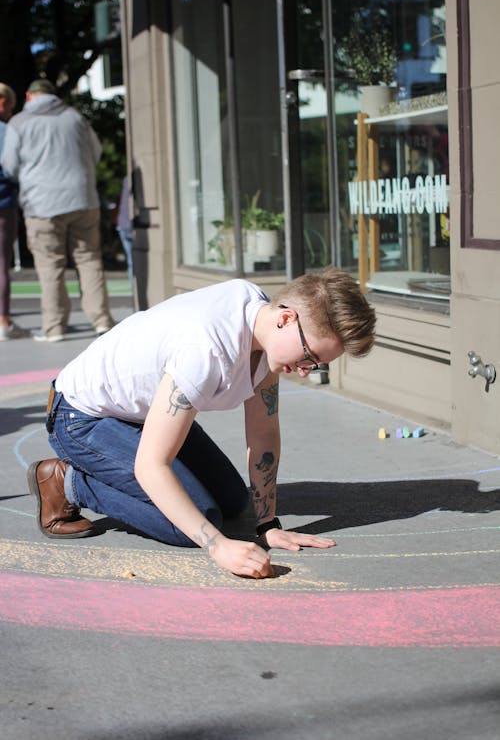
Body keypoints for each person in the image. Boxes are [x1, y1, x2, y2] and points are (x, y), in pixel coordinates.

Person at [27, 268, 376, 579]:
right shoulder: (206, 351)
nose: (305, 370)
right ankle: (67, 482)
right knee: (194, 523)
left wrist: (267, 523)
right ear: (286, 318)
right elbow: (151, 466)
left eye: (316, 364)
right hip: (81, 418)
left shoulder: (262, 321)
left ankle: (100, 475)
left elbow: (263, 432)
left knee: (237, 503)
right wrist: (218, 547)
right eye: (309, 357)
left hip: (144, 412)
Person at [0, 79, 115, 342]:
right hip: (83, 198)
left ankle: (54, 328)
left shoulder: (19, 123)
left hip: (41, 204)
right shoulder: (75, 117)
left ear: (29, 96)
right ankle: (101, 321)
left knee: (50, 265)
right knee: (89, 260)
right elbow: (95, 153)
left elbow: (9, 166)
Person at [0, 83, 27, 341]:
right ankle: (3, 321)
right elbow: (11, 168)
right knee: (1, 263)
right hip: (2, 202)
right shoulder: (6, 131)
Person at [116, 175, 134, 293]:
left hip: (123, 224)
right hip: (130, 224)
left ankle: (134, 292)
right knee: (132, 262)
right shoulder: (131, 179)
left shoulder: (126, 179)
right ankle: (135, 292)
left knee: (131, 262)